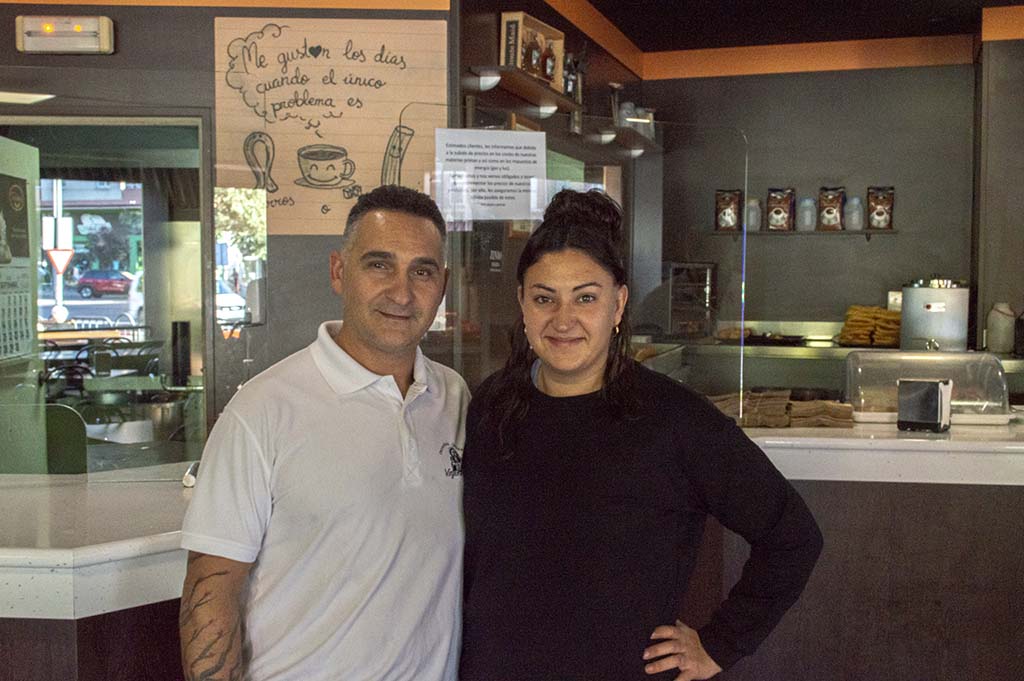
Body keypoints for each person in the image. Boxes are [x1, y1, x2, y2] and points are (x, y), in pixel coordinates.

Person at [459, 189, 823, 681]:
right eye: (544, 298)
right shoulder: (490, 405)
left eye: (586, 297)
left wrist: (720, 644)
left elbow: (793, 536)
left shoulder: (674, 421)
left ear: (618, 304)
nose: (563, 320)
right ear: (522, 302)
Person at [179, 185, 469, 681]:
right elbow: (212, 589)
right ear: (339, 271)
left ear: (441, 285)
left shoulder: (453, 397)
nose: (402, 293)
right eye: (379, 265)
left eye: (421, 271)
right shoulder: (263, 410)